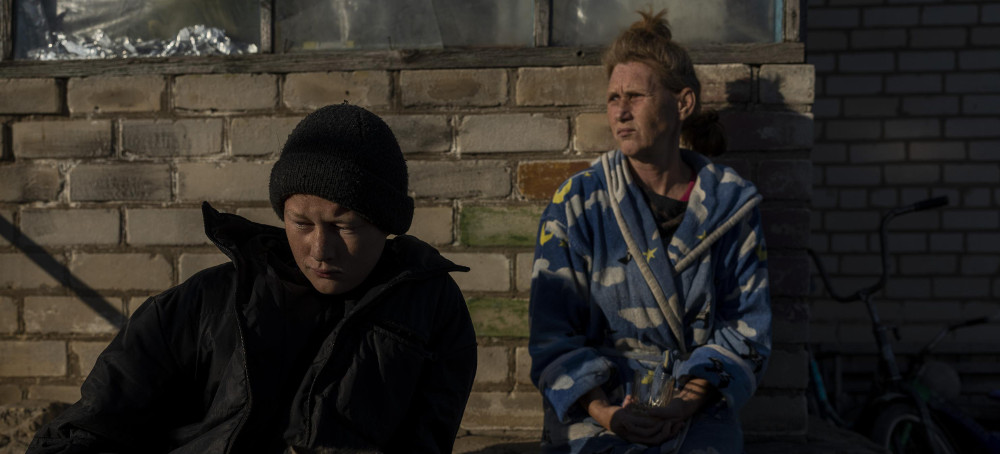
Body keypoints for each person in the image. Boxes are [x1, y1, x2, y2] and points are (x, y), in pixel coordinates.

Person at [27, 104, 478, 454]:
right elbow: (90, 426)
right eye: (301, 223)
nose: (320, 249)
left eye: (344, 226)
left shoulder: (430, 311)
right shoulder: (207, 305)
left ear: (386, 223)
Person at [528, 10, 771, 454]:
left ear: (683, 103)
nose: (621, 111)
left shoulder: (731, 206)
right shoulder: (578, 203)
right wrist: (606, 412)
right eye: (613, 98)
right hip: (597, 407)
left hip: (695, 406)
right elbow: (552, 332)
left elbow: (745, 330)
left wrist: (684, 403)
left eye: (636, 96)